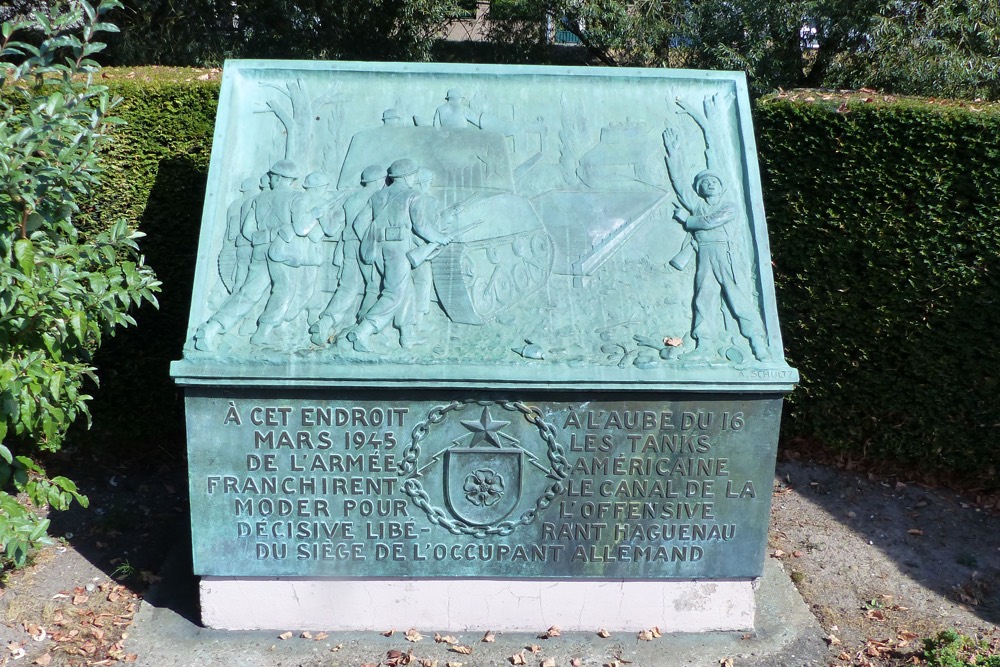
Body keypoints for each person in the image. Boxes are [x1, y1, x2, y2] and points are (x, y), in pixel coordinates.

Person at [666, 153, 769, 361]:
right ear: (700, 189)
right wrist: (673, 154)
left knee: (737, 297)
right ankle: (704, 346)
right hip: (704, 253)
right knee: (704, 297)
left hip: (725, 254)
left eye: (714, 182)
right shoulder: (698, 205)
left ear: (721, 187)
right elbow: (680, 186)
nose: (710, 184)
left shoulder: (729, 206)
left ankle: (758, 344)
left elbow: (711, 221)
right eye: (705, 182)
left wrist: (687, 219)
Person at [347, 159, 451, 352]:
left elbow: (359, 223)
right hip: (398, 248)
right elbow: (421, 226)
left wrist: (374, 239)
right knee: (394, 292)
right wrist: (441, 237)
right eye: (413, 175)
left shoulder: (378, 196)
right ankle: (364, 330)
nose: (414, 178)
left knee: (406, 289)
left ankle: (407, 335)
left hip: (378, 248)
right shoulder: (414, 196)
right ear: (406, 177)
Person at [309, 164, 387, 345]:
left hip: (348, 245)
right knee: (375, 287)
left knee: (347, 288)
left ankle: (325, 321)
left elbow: (332, 227)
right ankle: (361, 328)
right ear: (378, 181)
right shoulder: (379, 197)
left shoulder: (350, 199)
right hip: (368, 244)